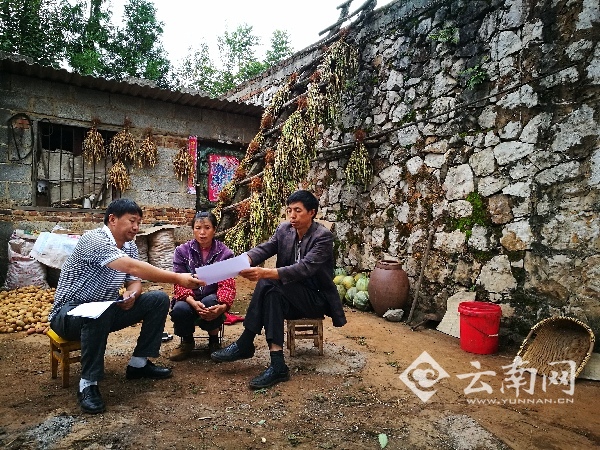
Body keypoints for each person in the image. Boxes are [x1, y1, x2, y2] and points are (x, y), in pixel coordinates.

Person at [48, 198, 205, 415]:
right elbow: (133, 267)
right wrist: (178, 278)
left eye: (139, 222)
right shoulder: (93, 239)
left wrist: (133, 294)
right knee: (97, 313)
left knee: (158, 299)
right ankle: (88, 384)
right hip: (69, 314)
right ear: (112, 219)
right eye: (132, 221)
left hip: (107, 309)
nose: (136, 227)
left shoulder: (130, 245)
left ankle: (138, 364)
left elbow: (133, 280)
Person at [211, 190, 347, 389]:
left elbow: (304, 268)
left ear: (312, 212)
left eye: (298, 211)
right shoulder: (285, 230)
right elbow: (265, 249)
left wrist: (265, 273)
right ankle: (278, 365)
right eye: (289, 210)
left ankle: (245, 342)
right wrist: (244, 261)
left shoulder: (322, 237)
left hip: (315, 299)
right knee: (272, 294)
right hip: (287, 295)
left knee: (268, 282)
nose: (292, 215)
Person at [169, 211, 236, 360]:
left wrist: (223, 306)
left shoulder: (224, 253)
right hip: (189, 298)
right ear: (193, 229)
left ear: (214, 229)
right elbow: (179, 280)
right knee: (180, 309)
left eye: (207, 228)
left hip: (212, 296)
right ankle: (187, 341)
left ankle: (214, 341)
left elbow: (227, 284)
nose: (202, 233)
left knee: (211, 303)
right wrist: (192, 301)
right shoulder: (182, 251)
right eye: (198, 228)